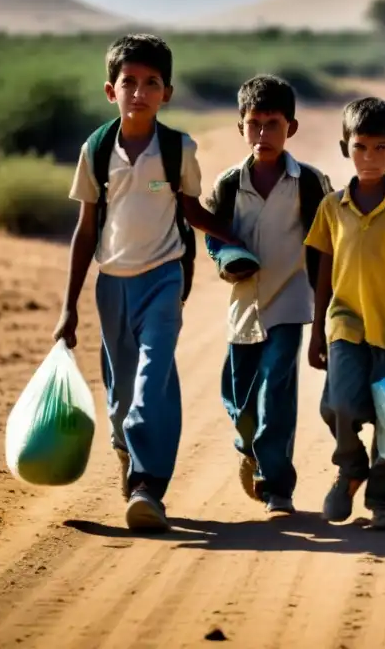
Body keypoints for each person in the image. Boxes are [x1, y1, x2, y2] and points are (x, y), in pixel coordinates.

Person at [53, 33, 237, 531]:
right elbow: (87, 230)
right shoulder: (95, 150)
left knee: (152, 378)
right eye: (128, 82)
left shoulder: (179, 149)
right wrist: (68, 307)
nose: (139, 91)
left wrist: (242, 235)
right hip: (111, 285)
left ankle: (147, 486)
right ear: (110, 90)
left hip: (163, 277)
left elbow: (194, 211)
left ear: (167, 92)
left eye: (151, 82)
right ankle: (126, 448)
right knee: (121, 392)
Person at [305, 97, 385, 531]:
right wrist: (316, 330)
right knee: (338, 403)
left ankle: (384, 501)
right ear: (346, 148)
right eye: (361, 147)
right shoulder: (332, 207)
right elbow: (324, 268)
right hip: (344, 322)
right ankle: (350, 465)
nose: (371, 157)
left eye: (381, 148)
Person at [204, 75, 331, 515]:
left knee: (277, 389)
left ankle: (277, 486)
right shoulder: (226, 185)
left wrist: (327, 313)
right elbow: (214, 236)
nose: (263, 134)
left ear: (290, 128)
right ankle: (250, 448)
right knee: (240, 398)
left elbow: (326, 246)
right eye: (254, 124)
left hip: (291, 300)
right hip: (244, 305)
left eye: (272, 123)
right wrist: (226, 258)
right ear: (241, 127)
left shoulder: (311, 183)